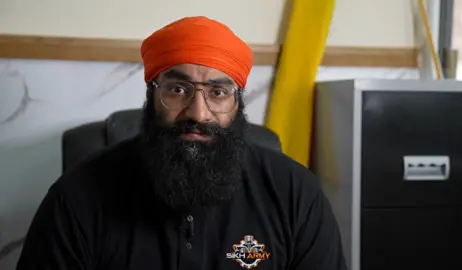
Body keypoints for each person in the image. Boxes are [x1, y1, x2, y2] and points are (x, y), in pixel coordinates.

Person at [16, 16, 346, 270]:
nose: (198, 113)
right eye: (178, 90)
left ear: (237, 103)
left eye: (218, 92)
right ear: (152, 94)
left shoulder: (294, 193)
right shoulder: (77, 196)